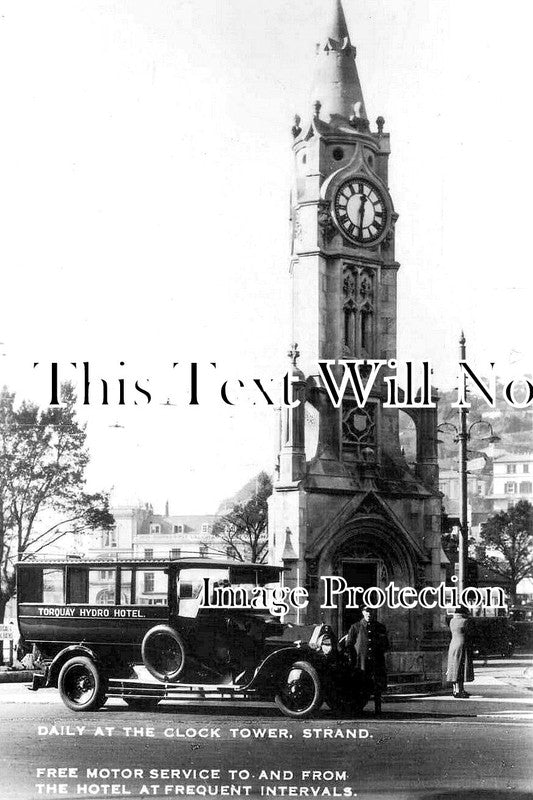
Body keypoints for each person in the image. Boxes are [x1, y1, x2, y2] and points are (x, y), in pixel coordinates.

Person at [346, 607, 389, 713]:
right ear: (363, 612)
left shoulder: (380, 627)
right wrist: (353, 660)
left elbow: (386, 644)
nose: (369, 614)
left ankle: (377, 709)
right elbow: (349, 645)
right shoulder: (355, 627)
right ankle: (357, 708)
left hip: (376, 662)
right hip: (361, 663)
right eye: (367, 611)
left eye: (371, 611)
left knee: (376, 686)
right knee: (360, 685)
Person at [446, 606, 474, 698]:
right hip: (462, 645)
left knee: (454, 668)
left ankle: (455, 690)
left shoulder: (452, 621)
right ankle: (460, 690)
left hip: (453, 645)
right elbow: (470, 633)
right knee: (461, 669)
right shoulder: (465, 621)